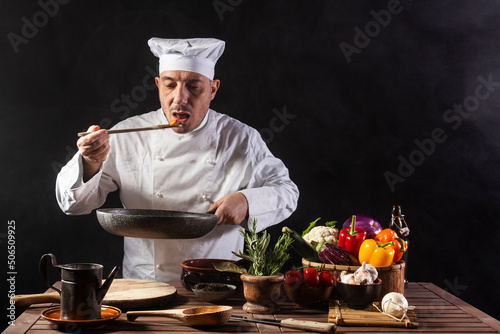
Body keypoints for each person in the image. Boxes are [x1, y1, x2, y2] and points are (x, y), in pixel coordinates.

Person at [56, 37, 299, 281]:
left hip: (218, 288)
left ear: (213, 89)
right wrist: (90, 162)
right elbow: (73, 206)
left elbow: (287, 192)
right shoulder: (127, 135)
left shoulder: (241, 138)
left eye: (194, 87)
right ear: (157, 85)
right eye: (170, 86)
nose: (180, 98)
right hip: (144, 285)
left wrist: (247, 201)